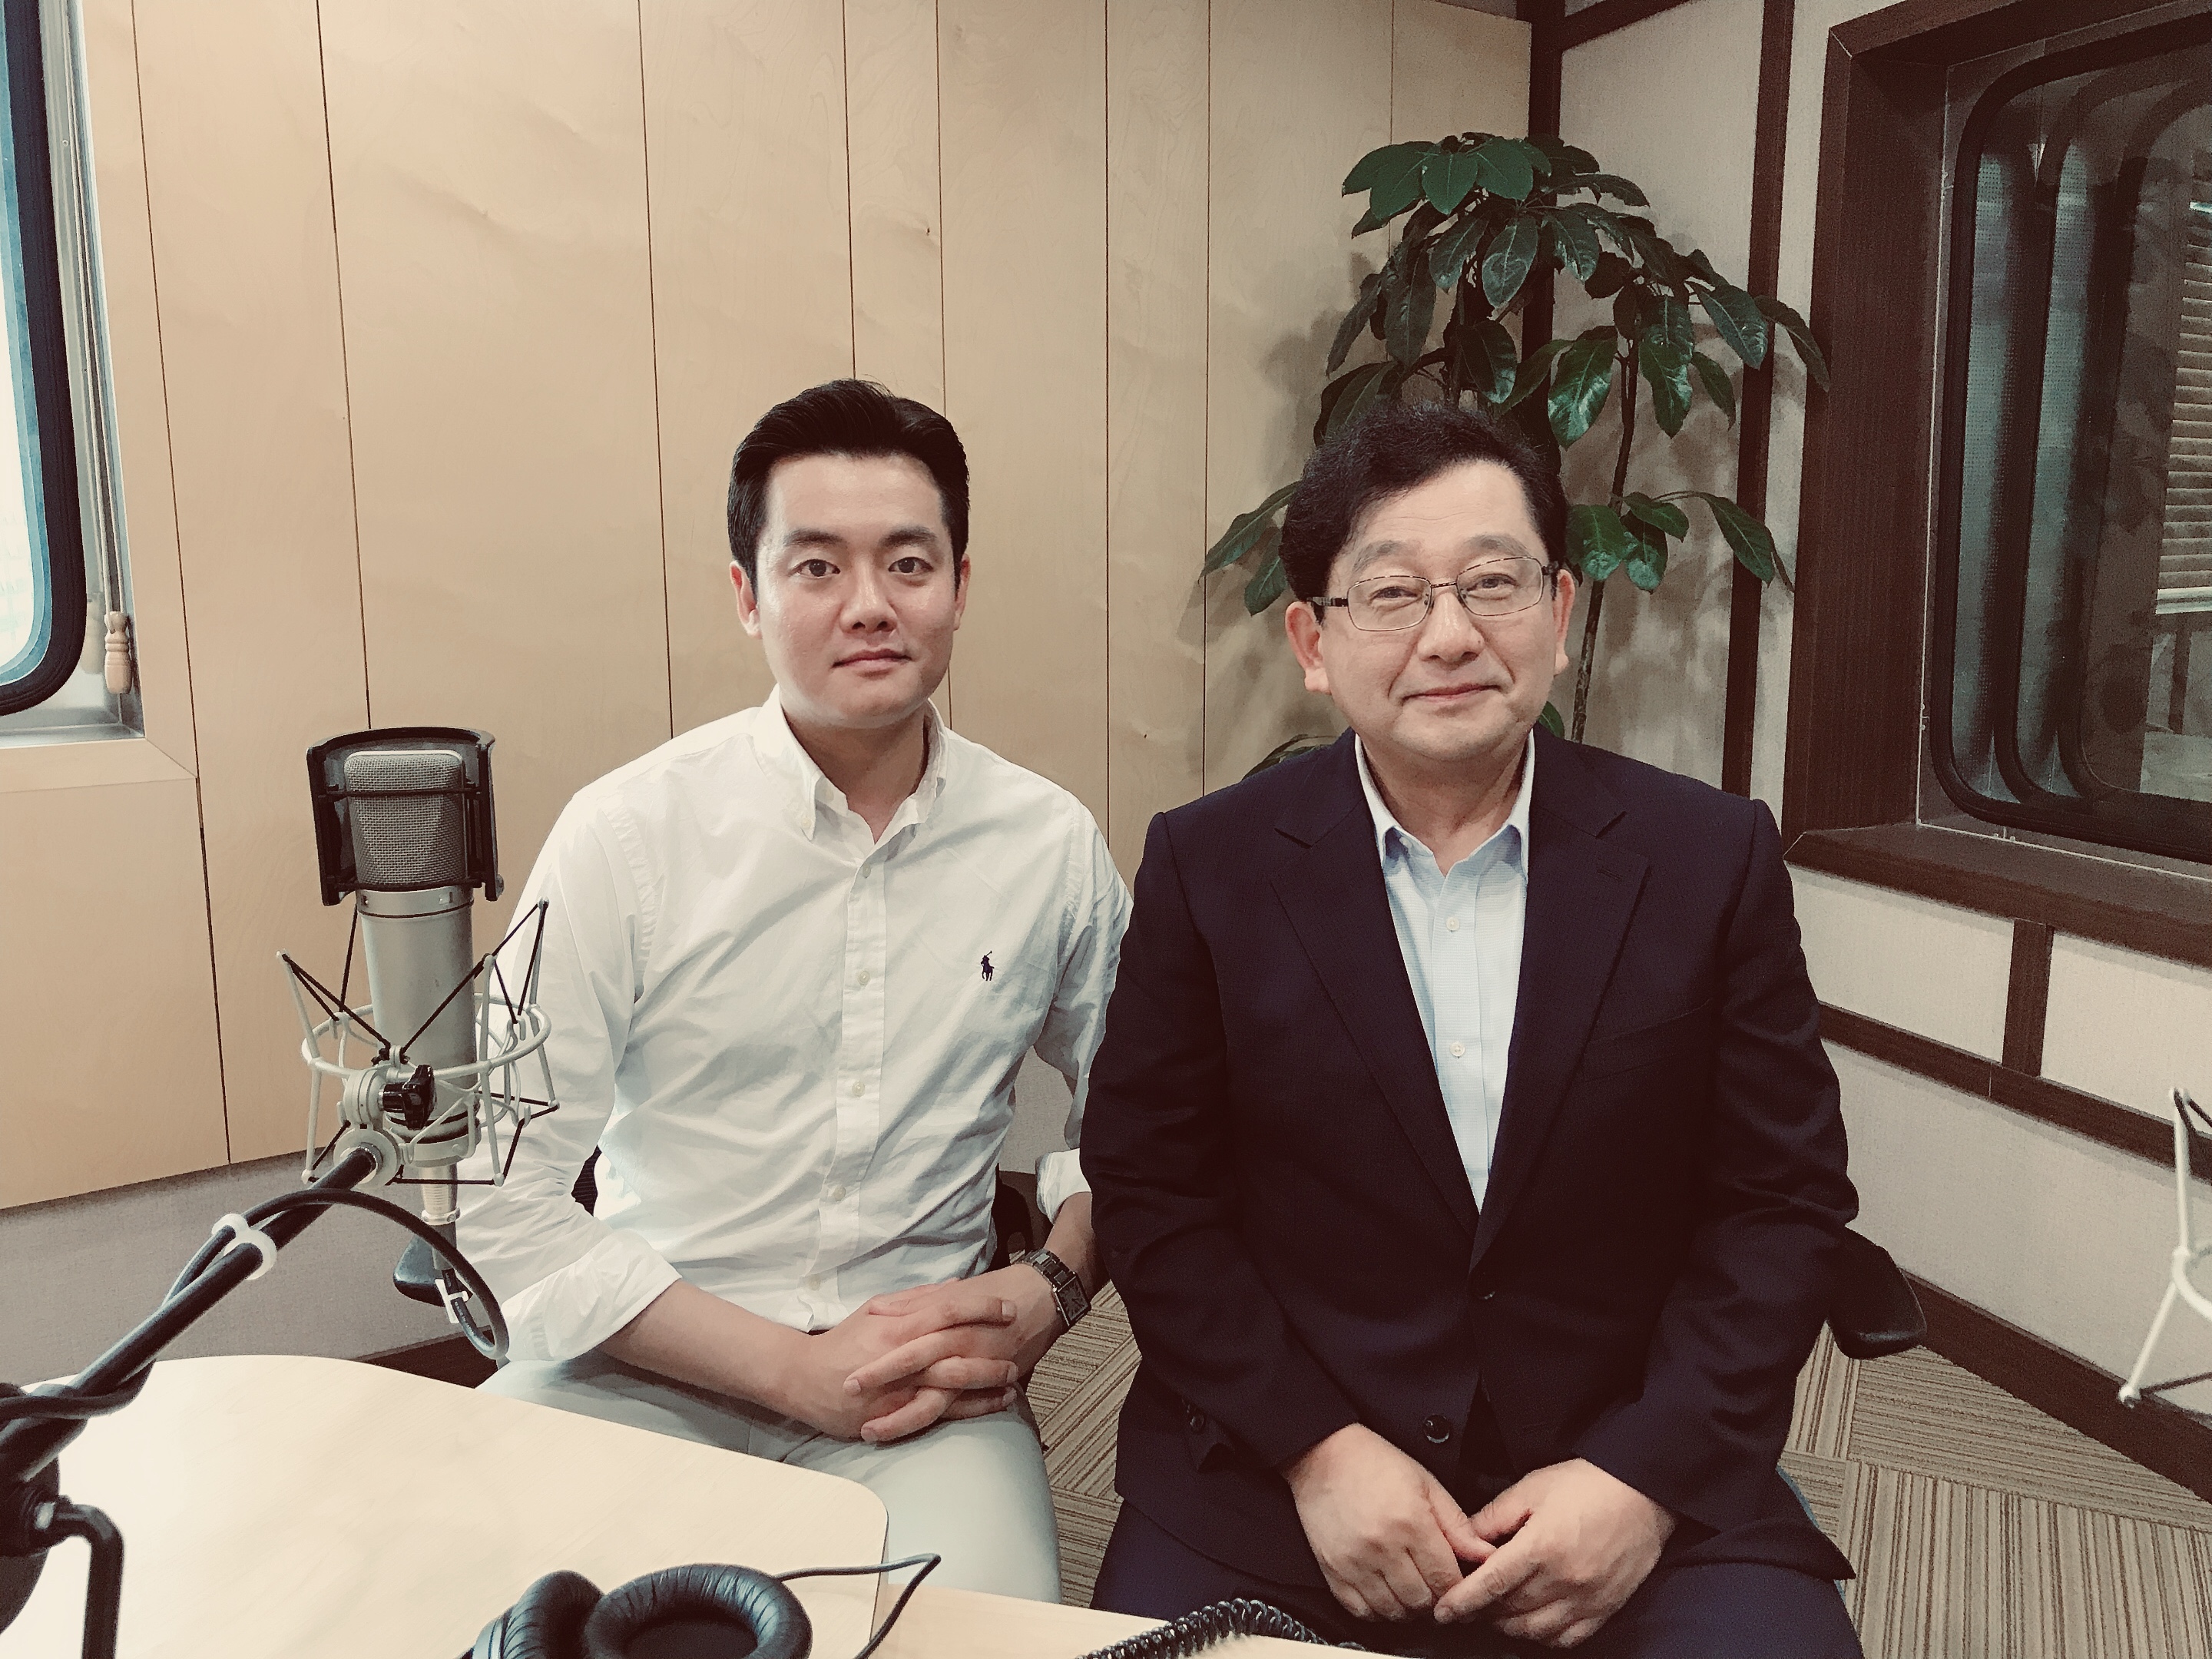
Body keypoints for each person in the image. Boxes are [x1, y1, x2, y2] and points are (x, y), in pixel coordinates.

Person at [1081, 399, 1862, 1656]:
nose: (1450, 635)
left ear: (1559, 612)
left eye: (1493, 583)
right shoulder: (1210, 866)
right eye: (1392, 594)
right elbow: (1152, 1190)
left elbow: (1782, 1203)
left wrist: (1642, 1480)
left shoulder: (1707, 857)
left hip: (1628, 1466)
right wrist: (1318, 1452)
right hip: (1287, 1474)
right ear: (1314, 641)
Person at [455, 379, 1126, 1601]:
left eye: (908, 564)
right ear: (747, 594)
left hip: (923, 1398)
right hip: (640, 1359)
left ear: (959, 587)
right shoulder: (626, 836)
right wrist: (790, 1373)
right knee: (455, 1602)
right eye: (816, 566)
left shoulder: (1048, 846)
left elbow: (1147, 1114)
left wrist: (1054, 1285)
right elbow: (499, 1198)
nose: (869, 605)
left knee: (986, 1640)